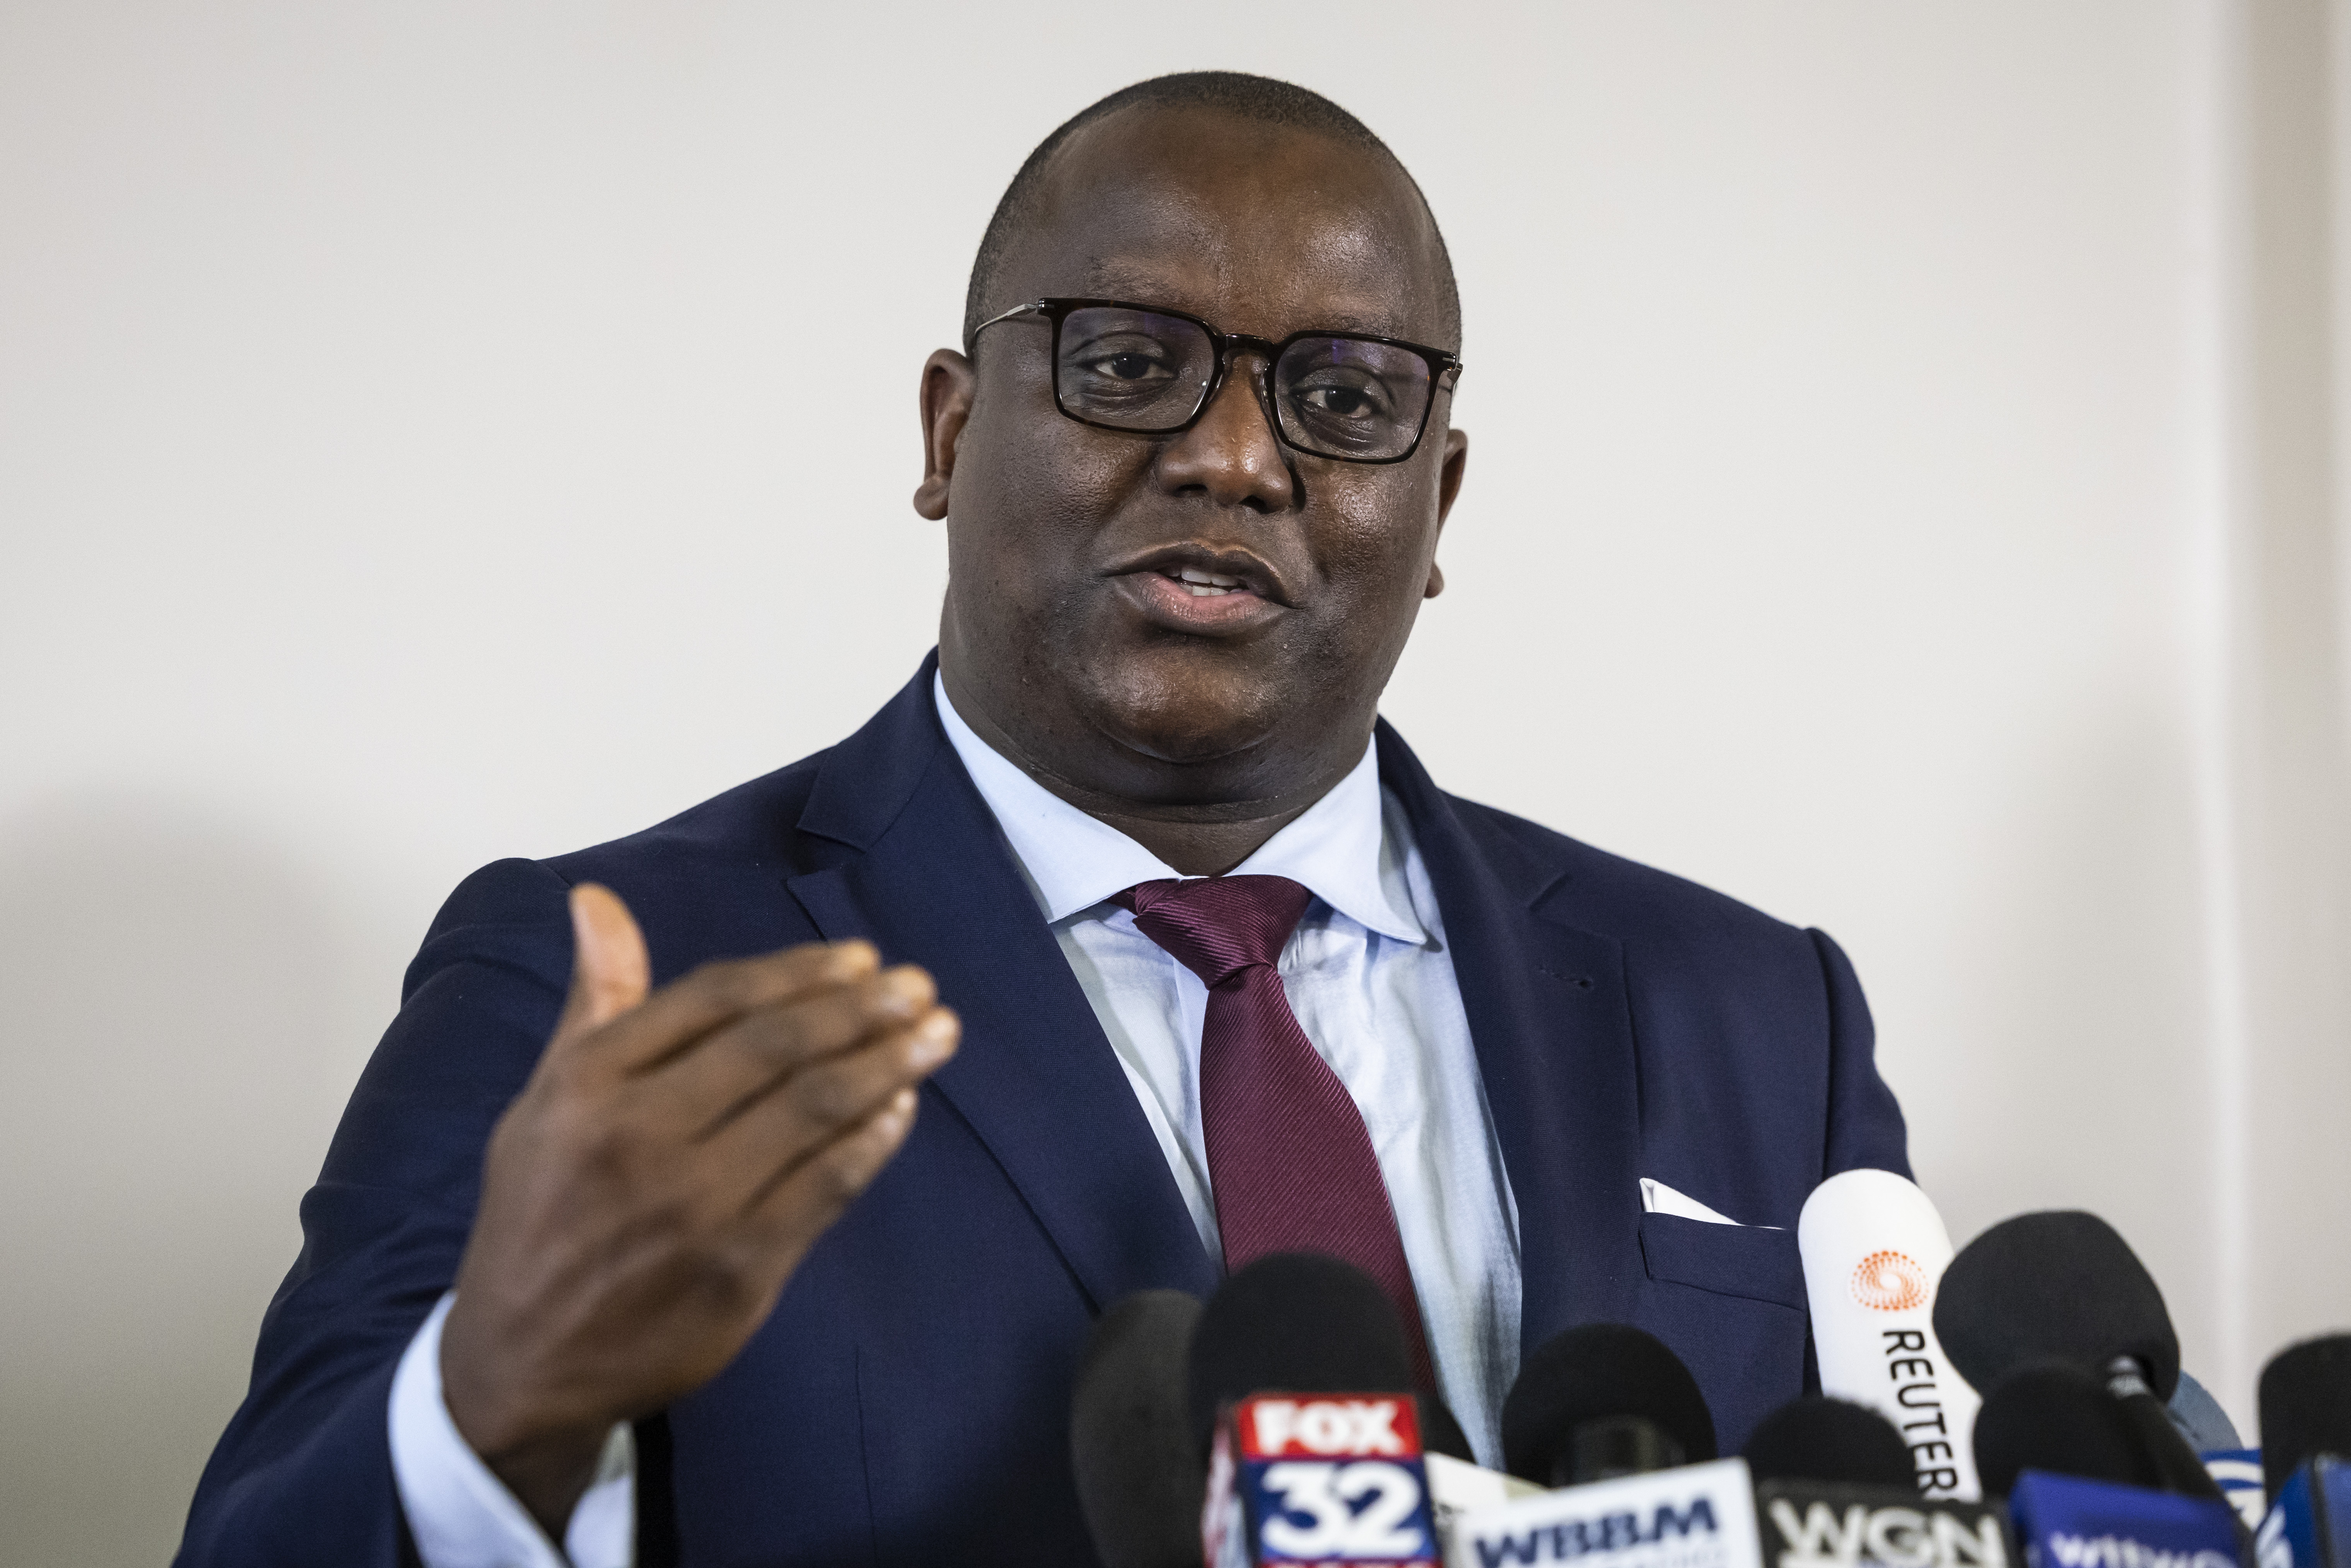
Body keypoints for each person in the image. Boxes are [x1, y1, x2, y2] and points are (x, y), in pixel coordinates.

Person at [178, 71, 1907, 1568]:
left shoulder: (1759, 1012)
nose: (1235, 458)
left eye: (1344, 398)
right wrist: (494, 1409)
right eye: (1131, 361)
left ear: (1435, 499)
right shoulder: (602, 987)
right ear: (948, 431)